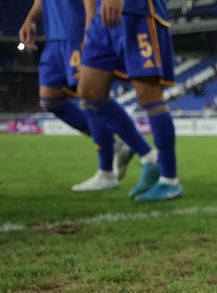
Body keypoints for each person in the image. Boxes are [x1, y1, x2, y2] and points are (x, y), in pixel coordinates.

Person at [19, 0, 131, 192]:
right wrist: (30, 19)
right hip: (54, 38)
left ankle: (107, 173)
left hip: (76, 33)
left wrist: (90, 29)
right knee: (49, 99)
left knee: (91, 97)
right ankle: (115, 147)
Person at [77, 0, 183, 201]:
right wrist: (90, 20)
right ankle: (150, 158)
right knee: (89, 90)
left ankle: (171, 181)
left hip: (138, 9)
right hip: (102, 16)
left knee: (148, 94)